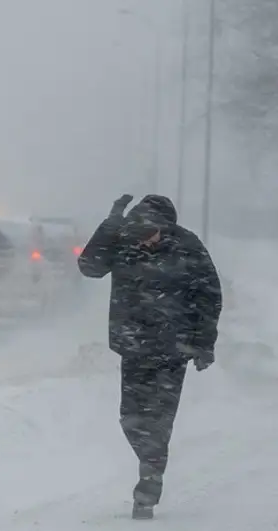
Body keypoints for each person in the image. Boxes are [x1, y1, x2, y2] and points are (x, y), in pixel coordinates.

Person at [77, 194, 222, 520]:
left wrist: (204, 343)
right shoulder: (124, 241)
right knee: (130, 418)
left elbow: (209, 296)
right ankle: (151, 462)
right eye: (141, 233)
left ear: (167, 228)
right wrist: (111, 223)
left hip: (174, 350)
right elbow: (89, 267)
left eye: (152, 233)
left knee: (158, 421)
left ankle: (148, 483)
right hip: (134, 346)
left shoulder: (188, 246)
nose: (147, 240)